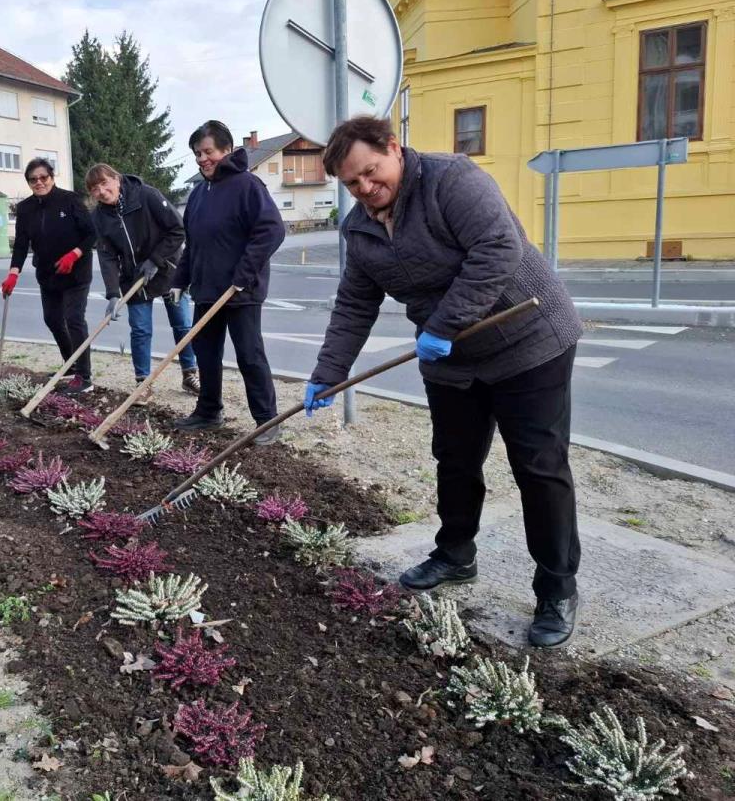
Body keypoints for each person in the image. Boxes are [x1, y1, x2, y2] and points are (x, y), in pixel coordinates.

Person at [303, 115, 584, 648]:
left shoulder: (452, 180)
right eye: (351, 183)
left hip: (527, 338)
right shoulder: (359, 228)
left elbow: (497, 249)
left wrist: (441, 326)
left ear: (394, 148)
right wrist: (328, 373)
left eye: (371, 171)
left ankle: (557, 587)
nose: (365, 188)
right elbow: (354, 304)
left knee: (539, 467)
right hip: (453, 358)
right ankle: (455, 554)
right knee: (454, 458)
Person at [170, 120, 286, 443]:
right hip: (206, 290)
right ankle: (209, 411)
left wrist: (242, 275)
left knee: (249, 355)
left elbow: (271, 230)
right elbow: (193, 245)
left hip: (240, 291)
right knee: (205, 354)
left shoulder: (247, 186)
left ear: (227, 150)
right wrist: (180, 280)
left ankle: (267, 421)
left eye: (208, 151)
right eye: (197, 154)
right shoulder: (197, 195)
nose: (202, 159)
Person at [86, 163, 201, 404]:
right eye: (95, 189)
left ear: (116, 179)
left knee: (182, 324)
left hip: (171, 273)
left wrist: (155, 260)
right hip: (134, 279)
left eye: (104, 183)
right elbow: (106, 256)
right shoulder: (99, 217)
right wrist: (112, 293)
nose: (102, 191)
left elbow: (177, 230)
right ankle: (143, 383)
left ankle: (190, 374)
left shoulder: (146, 195)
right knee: (140, 330)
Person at [3, 157, 97, 394]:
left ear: (52, 177)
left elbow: (92, 234)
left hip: (76, 273)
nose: (39, 182)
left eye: (43, 177)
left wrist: (74, 255)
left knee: (74, 319)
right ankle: (71, 364)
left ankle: (84, 378)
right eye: (33, 179)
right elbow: (22, 245)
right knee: (53, 319)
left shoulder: (70, 200)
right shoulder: (25, 209)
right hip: (48, 274)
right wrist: (13, 273)